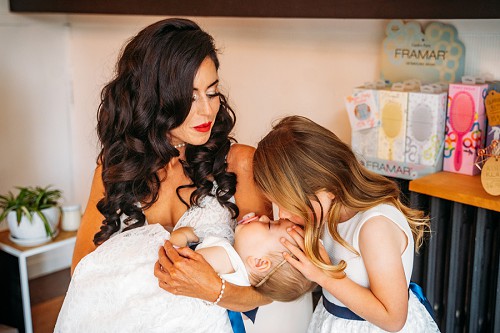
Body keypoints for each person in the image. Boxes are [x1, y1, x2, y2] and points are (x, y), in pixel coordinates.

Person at [72, 17, 272, 315]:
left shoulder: (240, 162)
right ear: (153, 100)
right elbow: (82, 271)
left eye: (212, 92)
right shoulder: (114, 168)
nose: (207, 110)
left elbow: (269, 289)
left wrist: (213, 290)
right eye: (190, 97)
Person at [253, 116, 440, 332]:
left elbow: (393, 318)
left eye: (287, 203)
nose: (282, 214)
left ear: (326, 185)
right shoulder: (324, 215)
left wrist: (323, 275)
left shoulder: (373, 227)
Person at [56, 217, 315, 332]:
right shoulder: (238, 270)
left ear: (259, 263)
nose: (262, 217)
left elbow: (178, 261)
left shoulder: (226, 256)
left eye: (268, 224)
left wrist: (182, 236)